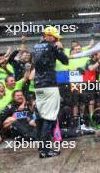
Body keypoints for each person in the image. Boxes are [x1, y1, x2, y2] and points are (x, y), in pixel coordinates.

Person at [33, 26, 68, 158]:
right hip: (49, 86)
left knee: (41, 117)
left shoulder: (35, 47)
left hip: (38, 87)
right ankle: (45, 150)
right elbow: (65, 61)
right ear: (51, 36)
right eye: (56, 38)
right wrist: (59, 48)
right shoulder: (53, 46)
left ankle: (41, 147)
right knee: (50, 117)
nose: (57, 40)